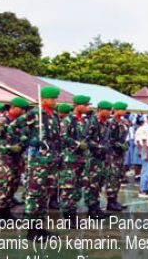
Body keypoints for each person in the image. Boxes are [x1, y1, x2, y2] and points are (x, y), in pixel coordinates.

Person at [25, 86, 62, 241]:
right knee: (34, 195)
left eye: (55, 98)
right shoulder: (34, 114)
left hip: (51, 160)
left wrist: (58, 155)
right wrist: (30, 141)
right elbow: (17, 131)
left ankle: (40, 228)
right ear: (43, 99)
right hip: (38, 162)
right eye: (52, 98)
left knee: (45, 195)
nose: (54, 101)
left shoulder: (54, 115)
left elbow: (57, 137)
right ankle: (31, 230)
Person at [0, 99, 29, 218]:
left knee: (13, 185)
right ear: (14, 107)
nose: (23, 112)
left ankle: (6, 212)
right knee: (3, 186)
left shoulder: (19, 122)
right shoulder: (3, 120)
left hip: (16, 158)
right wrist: (8, 147)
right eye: (21, 109)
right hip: (4, 159)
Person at [58, 95, 91, 223]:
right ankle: (68, 217)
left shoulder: (83, 121)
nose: (87, 108)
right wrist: (77, 144)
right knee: (68, 188)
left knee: (77, 187)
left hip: (80, 158)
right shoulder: (67, 120)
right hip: (69, 159)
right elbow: (62, 137)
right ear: (78, 105)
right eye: (86, 105)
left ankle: (73, 213)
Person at [105, 101, 129, 211]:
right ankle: (110, 201)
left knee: (118, 177)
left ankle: (115, 200)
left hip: (120, 154)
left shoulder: (122, 122)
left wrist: (124, 145)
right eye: (123, 109)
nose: (124, 111)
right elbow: (109, 139)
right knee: (112, 178)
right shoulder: (111, 122)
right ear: (117, 110)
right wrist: (119, 145)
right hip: (112, 154)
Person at [136, 114, 148, 198]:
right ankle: (142, 190)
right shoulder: (144, 128)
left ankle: (146, 188)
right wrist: (146, 153)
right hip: (147, 148)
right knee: (145, 171)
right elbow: (144, 141)